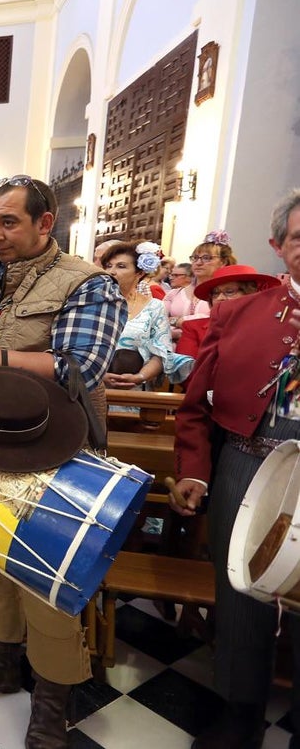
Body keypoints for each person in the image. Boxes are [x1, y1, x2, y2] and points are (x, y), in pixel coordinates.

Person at [0, 175, 125, 747]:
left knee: (46, 577)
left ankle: (51, 697)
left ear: (47, 223)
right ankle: (0, 661)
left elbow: (81, 368)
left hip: (56, 453)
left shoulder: (87, 283)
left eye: (8, 222)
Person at [172, 190, 300, 749]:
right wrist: (195, 471)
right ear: (279, 246)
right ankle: (241, 713)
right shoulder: (237, 312)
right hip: (246, 467)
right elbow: (195, 404)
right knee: (242, 597)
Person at [100, 240, 193, 389]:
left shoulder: (154, 307)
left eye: (121, 266)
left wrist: (139, 377)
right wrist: (98, 375)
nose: (111, 271)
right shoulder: (93, 303)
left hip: (136, 389)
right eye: (108, 266)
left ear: (139, 273)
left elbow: (162, 352)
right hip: (94, 384)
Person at [177, 264, 280, 361]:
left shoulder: (269, 328)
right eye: (215, 293)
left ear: (251, 295)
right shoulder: (193, 327)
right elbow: (186, 372)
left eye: (229, 291)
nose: (220, 298)